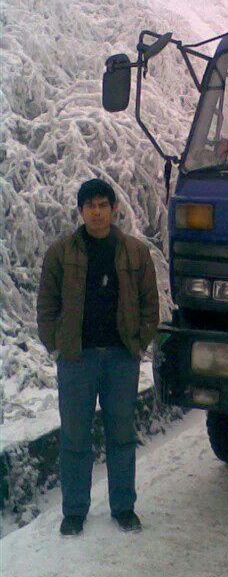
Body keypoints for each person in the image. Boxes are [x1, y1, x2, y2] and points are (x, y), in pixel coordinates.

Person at [37, 178, 159, 536]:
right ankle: (75, 511)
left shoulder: (134, 252)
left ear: (114, 209)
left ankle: (124, 508)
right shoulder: (61, 253)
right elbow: (47, 305)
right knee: (75, 436)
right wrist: (56, 345)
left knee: (121, 434)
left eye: (103, 205)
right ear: (80, 211)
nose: (97, 212)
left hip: (121, 358)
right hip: (77, 359)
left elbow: (150, 303)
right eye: (90, 205)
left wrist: (138, 342)